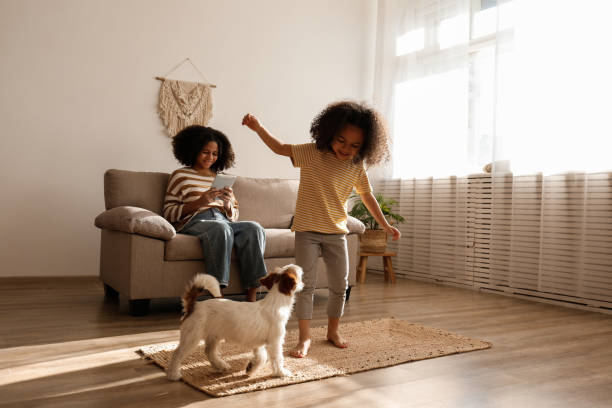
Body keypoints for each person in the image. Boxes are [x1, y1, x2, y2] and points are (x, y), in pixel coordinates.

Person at [242, 100, 401, 357]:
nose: (346, 149)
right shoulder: (313, 152)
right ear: (329, 133)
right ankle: (304, 338)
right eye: (341, 141)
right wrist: (258, 128)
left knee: (340, 285)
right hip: (307, 231)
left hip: (337, 233)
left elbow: (368, 196)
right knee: (306, 287)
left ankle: (333, 330)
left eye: (354, 145)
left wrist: (384, 224)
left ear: (365, 146)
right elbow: (280, 148)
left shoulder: (356, 165)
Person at [163, 125, 267, 302]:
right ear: (194, 150)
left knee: (253, 228)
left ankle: (252, 293)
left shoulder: (221, 178)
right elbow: (168, 213)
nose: (210, 157)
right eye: (205, 152)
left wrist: (227, 204)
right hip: (195, 221)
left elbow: (234, 216)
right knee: (220, 228)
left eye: (214, 153)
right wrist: (199, 202)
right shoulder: (180, 176)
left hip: (222, 221)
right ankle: (216, 290)